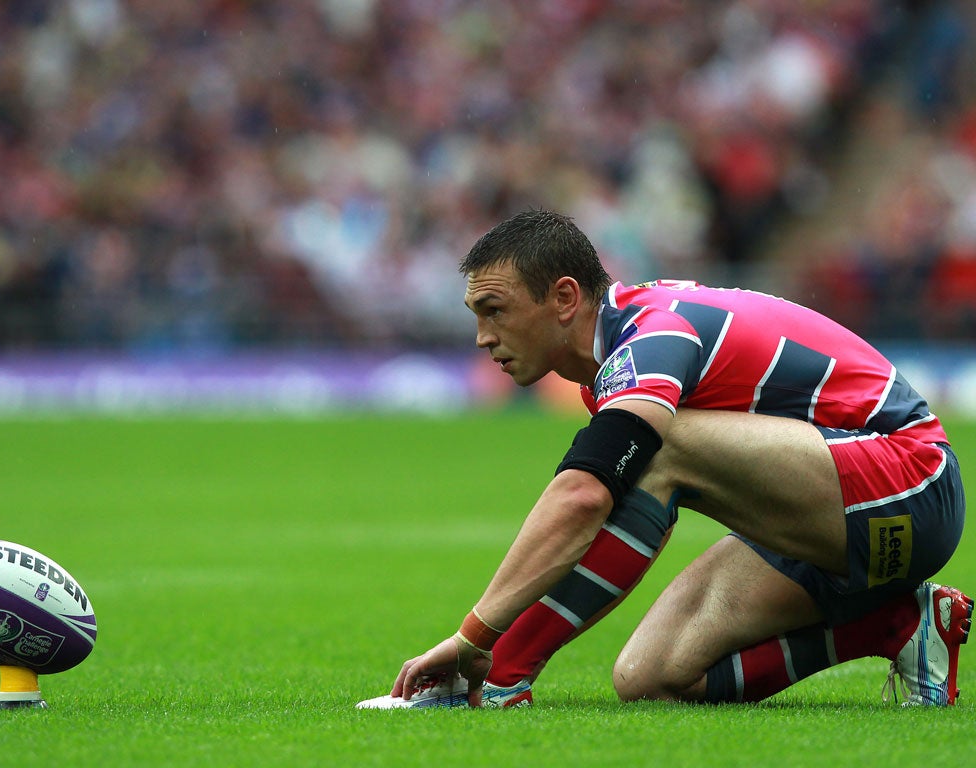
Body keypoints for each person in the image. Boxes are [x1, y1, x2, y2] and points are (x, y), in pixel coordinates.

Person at [356, 209, 970, 710]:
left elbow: (584, 496)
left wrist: (477, 639)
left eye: (496, 311)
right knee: (649, 677)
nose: (483, 337)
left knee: (655, 446)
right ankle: (899, 625)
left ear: (565, 298)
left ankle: (500, 678)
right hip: (829, 513)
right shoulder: (622, 351)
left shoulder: (654, 335)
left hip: (910, 485)